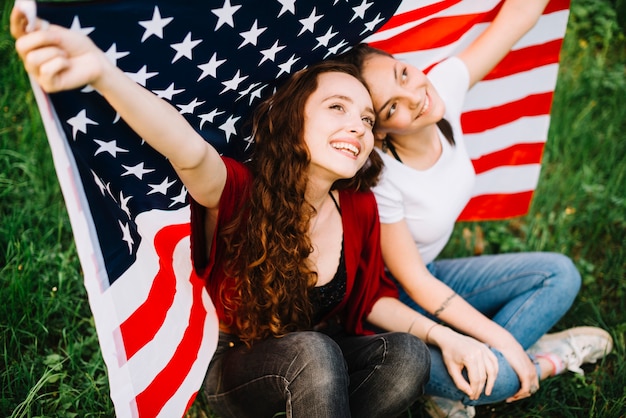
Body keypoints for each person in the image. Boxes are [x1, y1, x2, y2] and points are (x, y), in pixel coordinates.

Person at [10, 7, 440, 418]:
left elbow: (369, 299)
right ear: (294, 121)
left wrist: (444, 338)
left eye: (367, 119)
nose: (358, 127)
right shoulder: (241, 192)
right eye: (337, 108)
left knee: (405, 355)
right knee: (313, 353)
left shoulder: (357, 206)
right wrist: (102, 73)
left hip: (326, 349)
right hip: (239, 365)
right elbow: (186, 149)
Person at [337, 0, 614, 416]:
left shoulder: (440, 88)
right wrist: (500, 343)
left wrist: (489, 341)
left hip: (432, 277)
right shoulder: (384, 177)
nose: (414, 96)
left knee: (560, 274)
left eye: (404, 74)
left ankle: (500, 354)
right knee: (500, 376)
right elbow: (415, 283)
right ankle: (538, 359)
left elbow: (517, 17)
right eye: (391, 107)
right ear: (376, 131)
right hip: (391, 308)